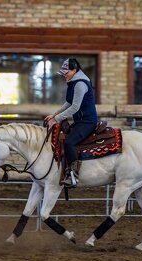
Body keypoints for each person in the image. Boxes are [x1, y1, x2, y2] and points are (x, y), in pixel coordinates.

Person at [44, 58, 98, 187]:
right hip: (80, 121)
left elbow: (75, 107)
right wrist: (55, 114)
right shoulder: (73, 82)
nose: (64, 75)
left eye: (66, 72)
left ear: (74, 70)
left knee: (69, 142)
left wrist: (56, 119)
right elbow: (69, 102)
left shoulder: (80, 84)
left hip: (87, 121)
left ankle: (74, 174)